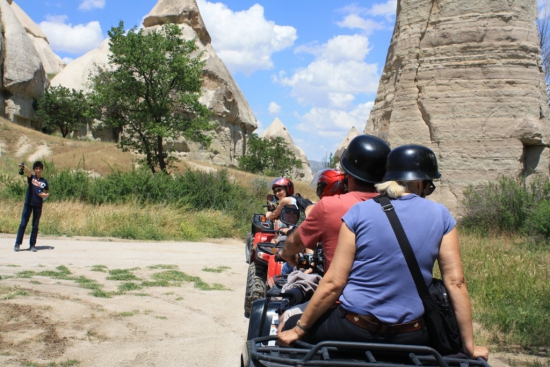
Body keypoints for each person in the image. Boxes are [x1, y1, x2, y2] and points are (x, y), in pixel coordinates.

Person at [277, 144, 489, 362]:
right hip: (411, 334)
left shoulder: (359, 212)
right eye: (429, 185)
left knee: (288, 326)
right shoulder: (441, 215)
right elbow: (456, 283)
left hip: (353, 327)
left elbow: (334, 283)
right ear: (419, 182)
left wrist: (299, 329)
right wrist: (469, 347)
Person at [279, 134, 391, 272]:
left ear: (348, 175)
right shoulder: (398, 207)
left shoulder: (328, 206)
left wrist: (287, 255)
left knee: (288, 286)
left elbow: (294, 243)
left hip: (340, 290)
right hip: (391, 290)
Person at [14, 161, 49, 252]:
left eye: (39, 168)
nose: (38, 170)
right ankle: (17, 244)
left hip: (38, 205)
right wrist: (23, 166)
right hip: (28, 204)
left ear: (42, 170)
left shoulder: (44, 181)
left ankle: (32, 245)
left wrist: (45, 195)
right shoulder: (32, 178)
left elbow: (47, 192)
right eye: (36, 168)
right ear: (34, 169)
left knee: (35, 225)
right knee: (23, 224)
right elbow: (28, 172)